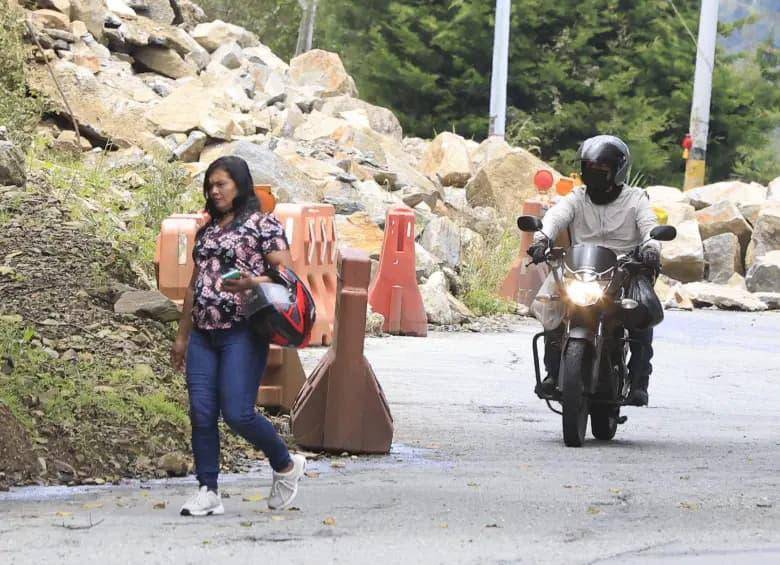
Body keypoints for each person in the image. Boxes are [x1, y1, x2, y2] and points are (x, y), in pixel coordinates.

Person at [171, 156, 306, 517]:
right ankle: (208, 490)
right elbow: (193, 286)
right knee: (201, 412)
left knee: (237, 413)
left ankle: (285, 464)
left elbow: (285, 273)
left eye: (222, 184)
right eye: (210, 186)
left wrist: (251, 282)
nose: (214, 191)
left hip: (242, 331)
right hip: (202, 332)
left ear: (240, 185)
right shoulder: (207, 230)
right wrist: (182, 337)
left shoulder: (263, 225)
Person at [527, 135, 661, 406]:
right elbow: (555, 217)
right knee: (552, 308)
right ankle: (553, 373)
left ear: (617, 172)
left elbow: (650, 226)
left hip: (625, 269)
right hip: (580, 268)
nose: (594, 176)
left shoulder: (636, 199)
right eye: (589, 170)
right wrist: (542, 240)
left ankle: (638, 380)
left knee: (642, 310)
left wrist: (651, 248)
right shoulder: (576, 198)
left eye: (602, 171)